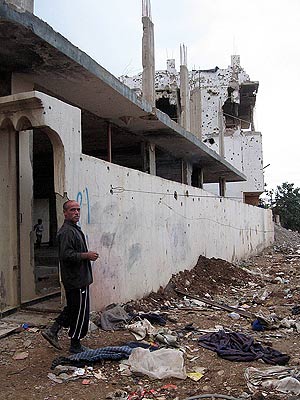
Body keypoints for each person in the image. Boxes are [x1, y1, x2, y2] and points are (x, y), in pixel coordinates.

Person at [42, 200, 99, 353]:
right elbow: (66, 255)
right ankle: (75, 345)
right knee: (80, 313)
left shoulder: (73, 229)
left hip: (78, 278)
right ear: (65, 213)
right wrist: (86, 255)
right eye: (72, 210)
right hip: (76, 280)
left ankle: (52, 331)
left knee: (74, 309)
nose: (76, 213)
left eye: (78, 210)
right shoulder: (67, 231)